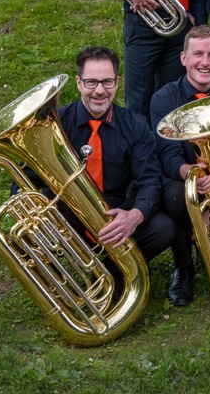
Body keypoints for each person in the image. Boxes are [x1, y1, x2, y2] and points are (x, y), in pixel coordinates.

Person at [42, 46, 173, 274]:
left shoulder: (135, 125)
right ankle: (60, 283)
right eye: (91, 82)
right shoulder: (56, 123)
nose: (100, 91)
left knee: (163, 228)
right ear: (79, 83)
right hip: (70, 218)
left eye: (107, 82)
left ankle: (116, 272)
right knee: (30, 228)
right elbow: (27, 177)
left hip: (117, 216)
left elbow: (150, 180)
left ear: (117, 83)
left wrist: (134, 216)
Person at [149, 26, 210, 307]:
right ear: (183, 58)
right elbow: (167, 155)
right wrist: (192, 175)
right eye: (197, 54)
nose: (205, 61)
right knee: (176, 196)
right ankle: (184, 267)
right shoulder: (164, 98)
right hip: (185, 180)